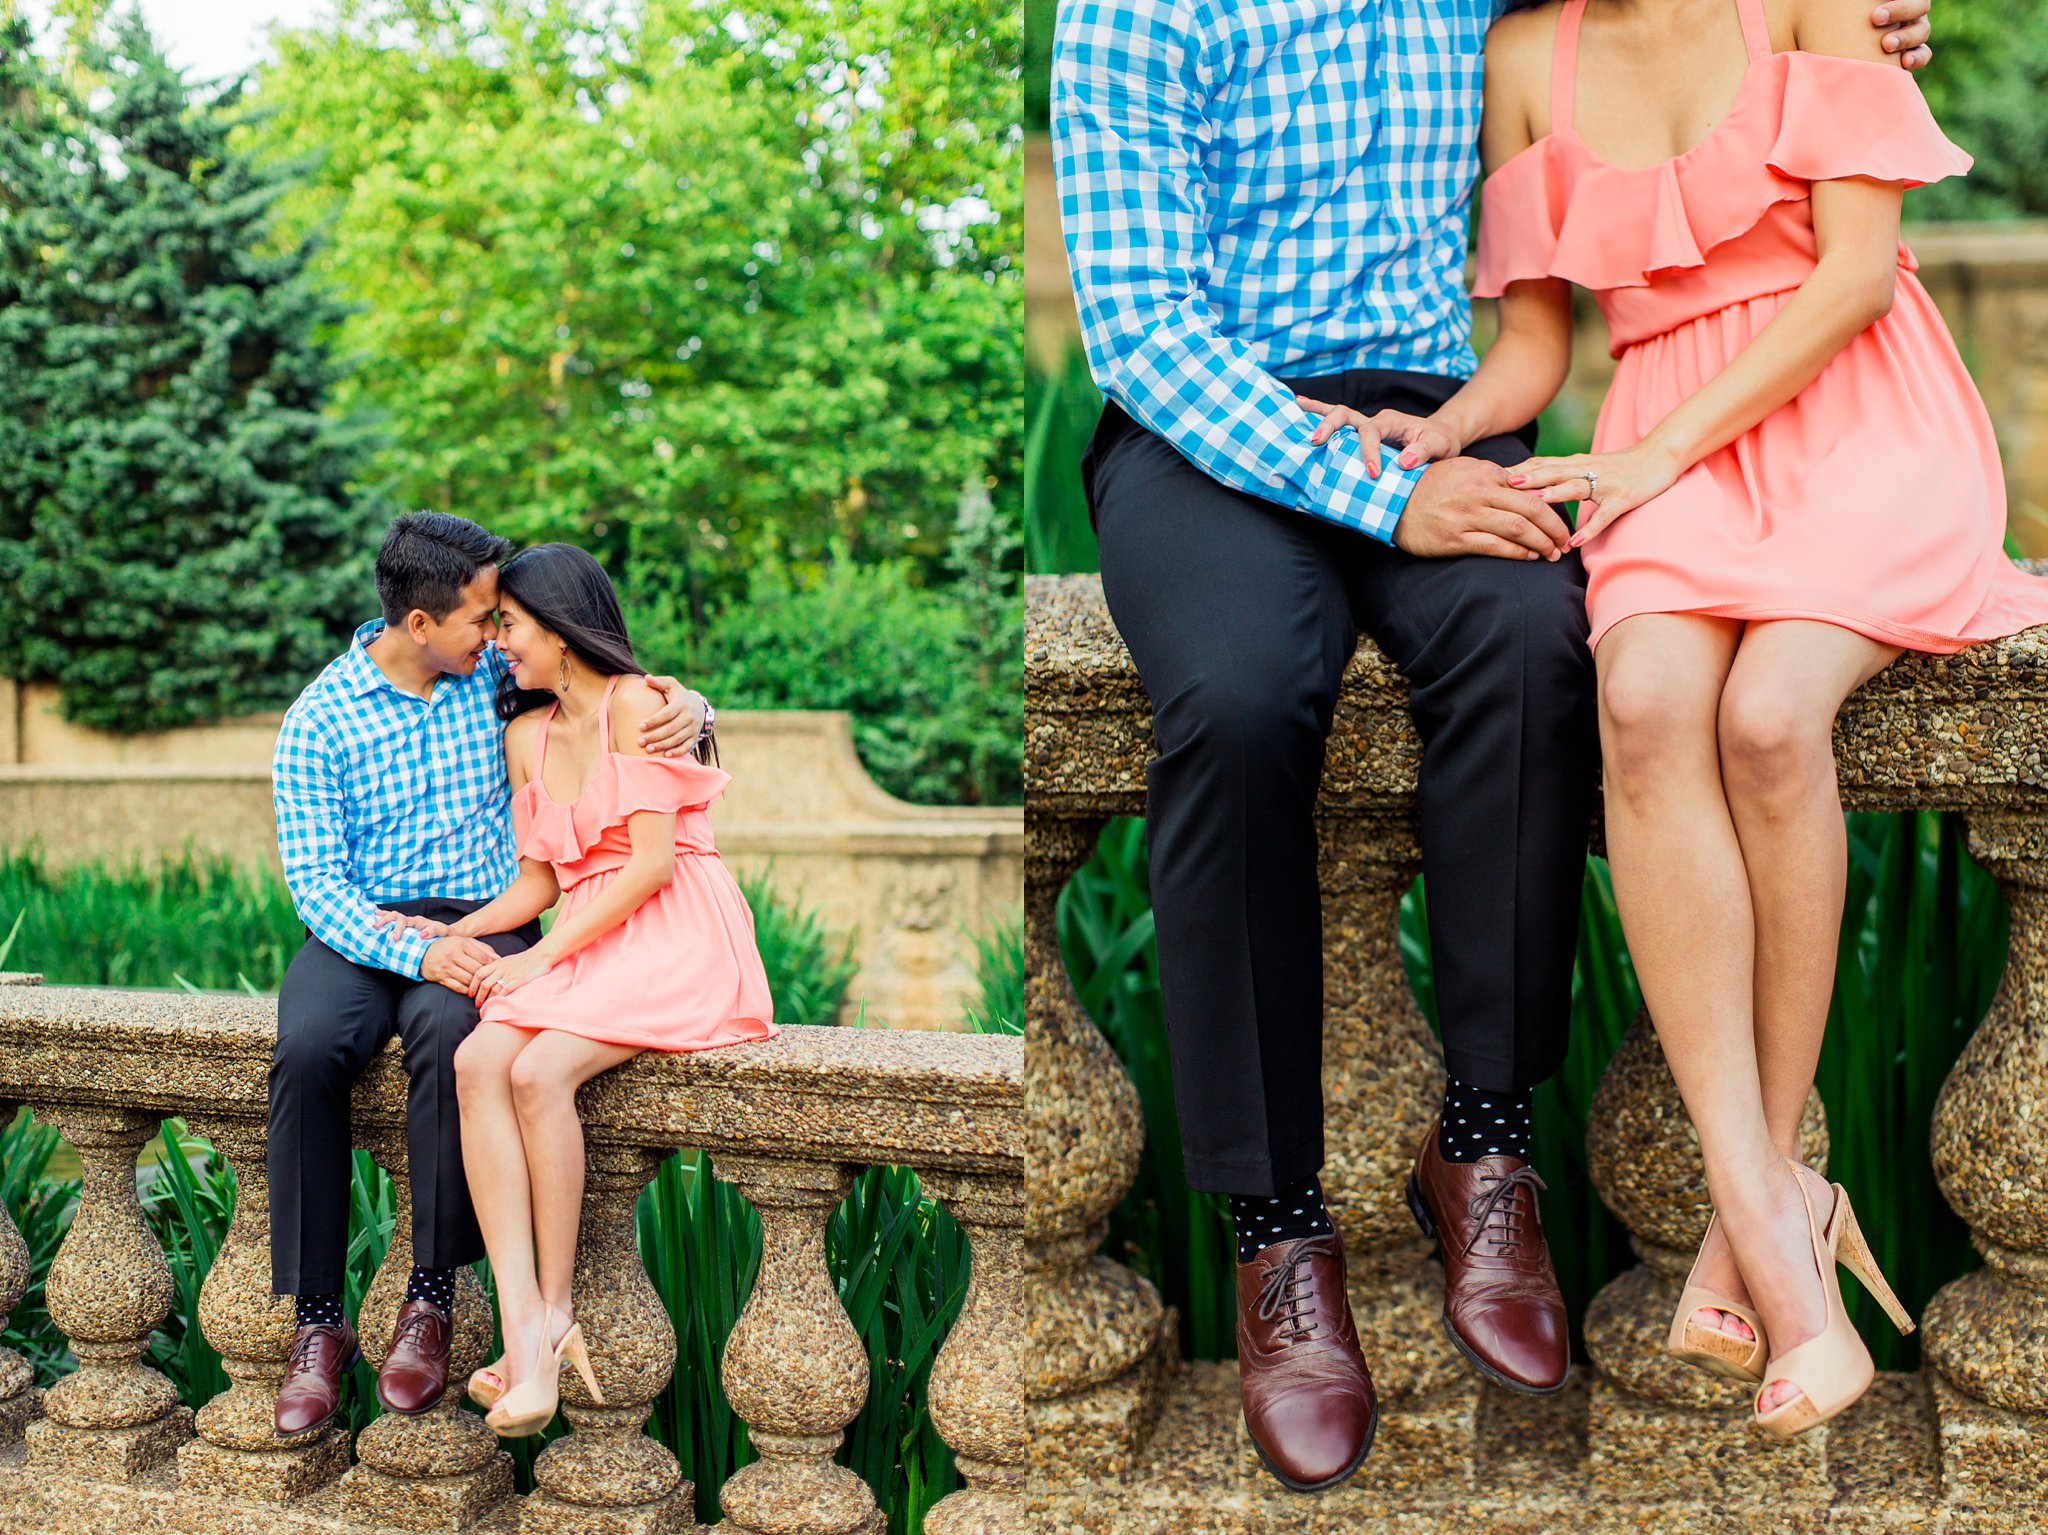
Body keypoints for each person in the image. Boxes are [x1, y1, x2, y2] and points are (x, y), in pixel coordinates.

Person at [1049, 0, 1933, 1492]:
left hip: (1439, 410)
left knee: (1539, 642)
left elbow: (1684, 27)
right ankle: (1278, 1232)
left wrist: (1878, 21)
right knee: (1245, 691)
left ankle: (1483, 1138)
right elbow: (1142, 334)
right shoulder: (1136, 14)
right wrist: (1378, 502)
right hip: (1213, 432)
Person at [1309, 0, 2047, 1438]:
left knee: (1773, 719)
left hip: (1854, 418)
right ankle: (1778, 1211)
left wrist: (1652, 452)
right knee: (1644, 699)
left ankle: (1757, 1227)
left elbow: (1851, 277)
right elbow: (1535, 343)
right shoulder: (1523, 58)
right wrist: (1446, 431)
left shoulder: (1815, 3)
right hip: (1665, 447)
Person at [268, 512, 711, 1438]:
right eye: (481, 618)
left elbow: (608, 697)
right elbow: (314, 884)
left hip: (487, 917)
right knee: (308, 1045)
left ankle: (430, 1301)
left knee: (449, 1032)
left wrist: (696, 707)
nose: (495, 634)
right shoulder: (319, 719)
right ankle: (316, 1322)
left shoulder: (495, 688)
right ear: (421, 623)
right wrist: (417, 947)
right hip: (369, 928)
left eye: (503, 617)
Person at [375, 542, 777, 1436]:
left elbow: (648, 867)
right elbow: (539, 884)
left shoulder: (638, 707)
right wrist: (458, 931)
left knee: (538, 1073)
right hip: (591, 932)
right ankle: (524, 1324)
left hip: (672, 929)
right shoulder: (525, 734)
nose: (501, 643)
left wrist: (538, 960)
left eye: (510, 625)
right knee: (480, 1060)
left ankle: (555, 1312)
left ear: (560, 629)